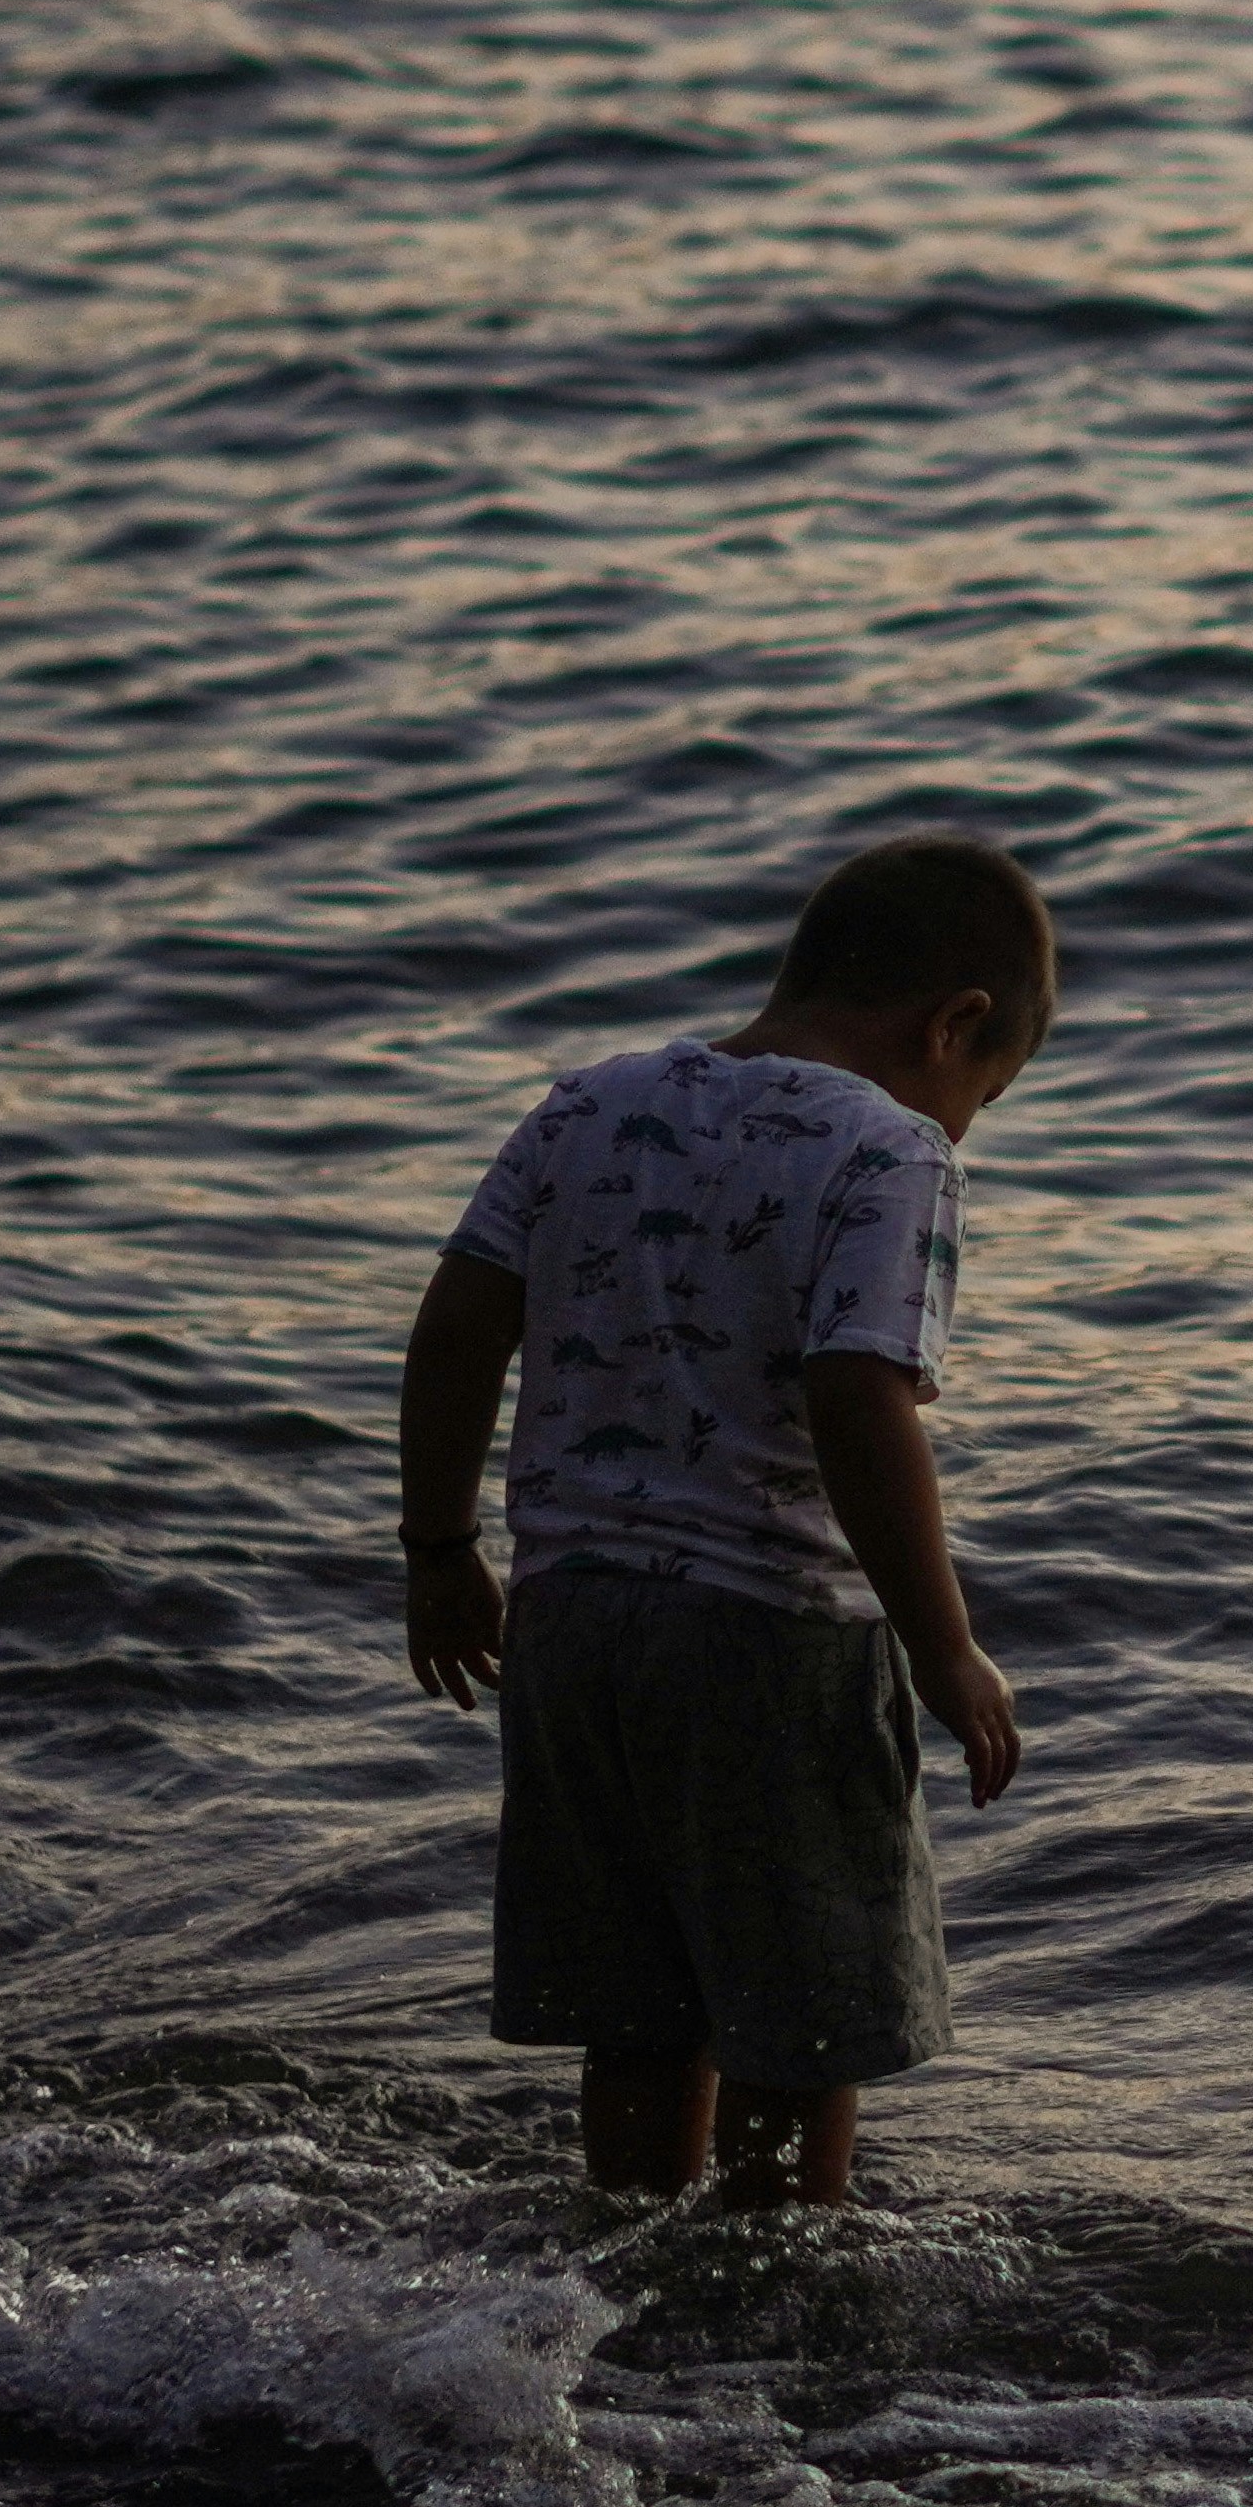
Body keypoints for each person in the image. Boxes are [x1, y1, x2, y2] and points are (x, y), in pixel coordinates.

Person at [394, 835, 1054, 2206]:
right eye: (988, 1091)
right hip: (768, 1638)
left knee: (636, 2018)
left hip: (568, 1627)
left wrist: (441, 1551)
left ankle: (629, 2289)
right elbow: (856, 1394)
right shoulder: (892, 1148)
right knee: (799, 2026)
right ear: (957, 1024)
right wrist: (946, 1651)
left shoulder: (590, 1103)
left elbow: (460, 1321)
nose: (968, 1120)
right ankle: (769, 2329)